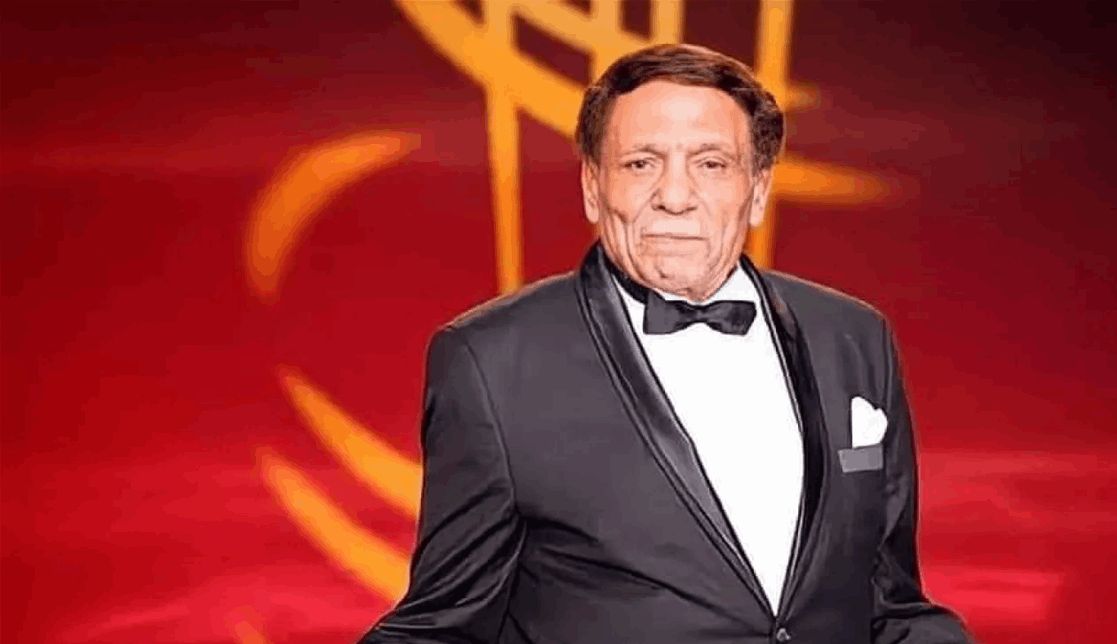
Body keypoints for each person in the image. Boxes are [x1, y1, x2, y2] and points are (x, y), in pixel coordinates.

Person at [360, 43, 972, 644]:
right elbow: (439, 628)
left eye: (711, 164)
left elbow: (890, 604)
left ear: (758, 189)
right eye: (640, 163)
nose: (675, 197)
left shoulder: (854, 337)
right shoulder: (491, 362)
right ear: (592, 186)